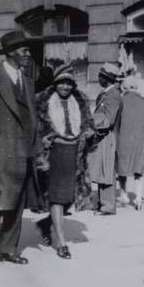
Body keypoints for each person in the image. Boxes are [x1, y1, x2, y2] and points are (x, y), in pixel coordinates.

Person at [35, 64, 94, 259]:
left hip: (76, 154)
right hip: (55, 154)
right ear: (56, 83)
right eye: (62, 83)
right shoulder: (43, 101)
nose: (66, 87)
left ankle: (46, 223)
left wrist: (89, 133)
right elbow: (35, 130)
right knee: (58, 197)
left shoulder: (81, 101)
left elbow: (89, 125)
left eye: (69, 83)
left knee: (70, 198)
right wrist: (43, 141)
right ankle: (61, 243)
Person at [0, 31, 38, 264]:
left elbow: (32, 119)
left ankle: (8, 249)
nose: (28, 54)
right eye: (24, 50)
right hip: (1, 151)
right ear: (11, 52)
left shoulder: (28, 82)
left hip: (24, 153)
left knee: (18, 203)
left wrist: (38, 152)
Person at [116, 77, 144, 211]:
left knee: (122, 169)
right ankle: (138, 198)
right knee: (138, 170)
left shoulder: (120, 101)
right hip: (139, 141)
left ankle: (123, 195)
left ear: (124, 88)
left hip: (123, 140)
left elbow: (117, 125)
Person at [87, 62, 122, 216]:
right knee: (102, 168)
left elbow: (109, 119)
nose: (98, 78)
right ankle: (103, 204)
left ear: (106, 78)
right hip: (103, 136)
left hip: (108, 136)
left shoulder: (113, 95)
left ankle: (108, 206)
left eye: (100, 76)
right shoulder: (107, 93)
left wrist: (92, 124)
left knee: (107, 169)